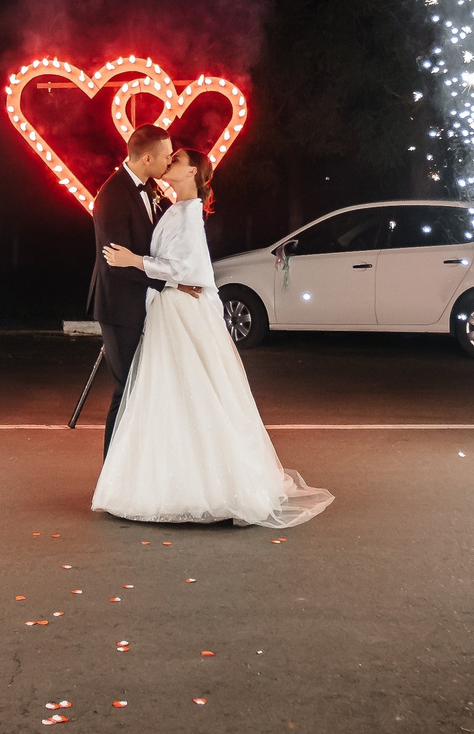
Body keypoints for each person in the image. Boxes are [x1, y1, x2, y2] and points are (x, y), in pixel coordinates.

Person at [92, 147, 333, 528]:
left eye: (176, 160)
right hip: (170, 308)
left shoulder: (189, 214)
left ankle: (201, 485)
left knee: (187, 391)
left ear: (192, 173)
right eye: (167, 157)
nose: (169, 162)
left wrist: (135, 260)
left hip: (181, 310)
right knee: (167, 393)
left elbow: (187, 268)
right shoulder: (175, 208)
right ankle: (161, 479)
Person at [88, 124, 175, 457]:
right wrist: (167, 280)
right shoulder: (112, 196)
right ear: (147, 158)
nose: (169, 161)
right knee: (127, 388)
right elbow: (116, 263)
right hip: (119, 307)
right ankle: (112, 470)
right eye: (166, 156)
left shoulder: (151, 188)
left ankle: (135, 465)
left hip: (143, 303)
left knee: (141, 386)